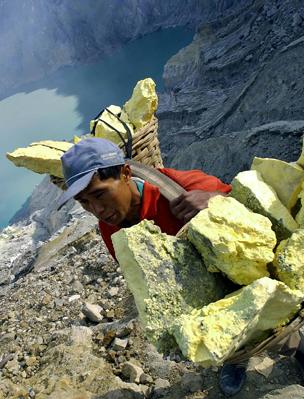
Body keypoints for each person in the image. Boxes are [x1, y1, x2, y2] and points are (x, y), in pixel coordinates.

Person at [58, 137, 271, 396]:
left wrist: (216, 200)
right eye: (85, 203)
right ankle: (235, 357)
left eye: (99, 194)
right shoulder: (109, 226)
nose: (97, 209)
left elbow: (259, 215)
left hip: (236, 275)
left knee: (274, 320)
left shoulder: (181, 188)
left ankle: (294, 345)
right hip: (192, 292)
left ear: (125, 173)